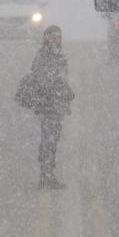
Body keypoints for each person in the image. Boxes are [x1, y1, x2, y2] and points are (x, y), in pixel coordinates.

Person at [29, 25, 74, 189]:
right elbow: (39, 79)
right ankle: (45, 177)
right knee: (48, 142)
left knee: (53, 142)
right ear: (46, 38)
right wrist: (51, 90)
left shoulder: (59, 56)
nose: (57, 39)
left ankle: (49, 176)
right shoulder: (43, 56)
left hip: (57, 106)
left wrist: (66, 93)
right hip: (48, 105)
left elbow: (63, 78)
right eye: (54, 36)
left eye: (59, 36)